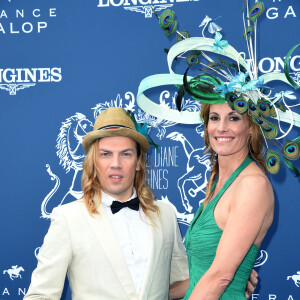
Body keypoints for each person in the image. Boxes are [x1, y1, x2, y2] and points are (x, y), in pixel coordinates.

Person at [24, 107, 189, 300]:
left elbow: (183, 283)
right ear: (93, 161)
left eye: (126, 154)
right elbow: (39, 296)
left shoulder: (166, 214)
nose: (116, 164)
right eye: (106, 154)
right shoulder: (68, 218)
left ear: (138, 163)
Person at [171, 102, 274, 299]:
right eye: (215, 118)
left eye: (233, 118)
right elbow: (200, 277)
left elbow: (220, 278)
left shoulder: (252, 185)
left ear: (251, 127)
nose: (221, 127)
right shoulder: (218, 184)